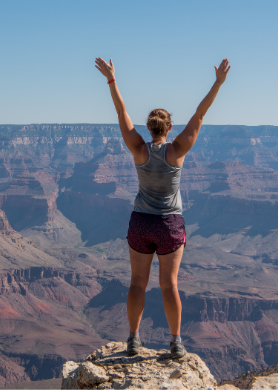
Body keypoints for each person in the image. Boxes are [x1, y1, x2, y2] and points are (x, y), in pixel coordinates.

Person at [94, 57, 230, 358]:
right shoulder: (178, 150)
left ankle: (132, 339)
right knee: (169, 285)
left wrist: (112, 80)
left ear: (148, 127)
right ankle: (176, 341)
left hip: (141, 223)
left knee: (137, 283)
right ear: (169, 127)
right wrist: (218, 83)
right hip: (169, 224)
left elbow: (121, 111)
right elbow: (200, 113)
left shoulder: (138, 149)